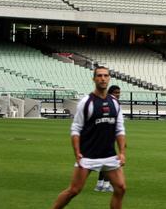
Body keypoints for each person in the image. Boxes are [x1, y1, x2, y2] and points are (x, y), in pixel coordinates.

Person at [52, 66, 126, 209]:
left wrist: (122, 152)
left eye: (105, 75)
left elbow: (120, 129)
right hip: (88, 156)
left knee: (121, 188)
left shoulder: (115, 103)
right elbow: (75, 129)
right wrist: (77, 152)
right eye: (99, 76)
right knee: (74, 190)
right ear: (94, 79)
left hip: (109, 155)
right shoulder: (86, 102)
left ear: (109, 78)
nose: (102, 78)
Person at [94, 85, 121, 192]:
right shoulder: (113, 103)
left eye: (119, 92)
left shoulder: (104, 101)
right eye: (116, 92)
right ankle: (106, 184)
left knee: (104, 161)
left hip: (102, 135)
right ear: (111, 93)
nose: (118, 95)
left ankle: (99, 184)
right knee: (109, 162)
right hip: (107, 136)